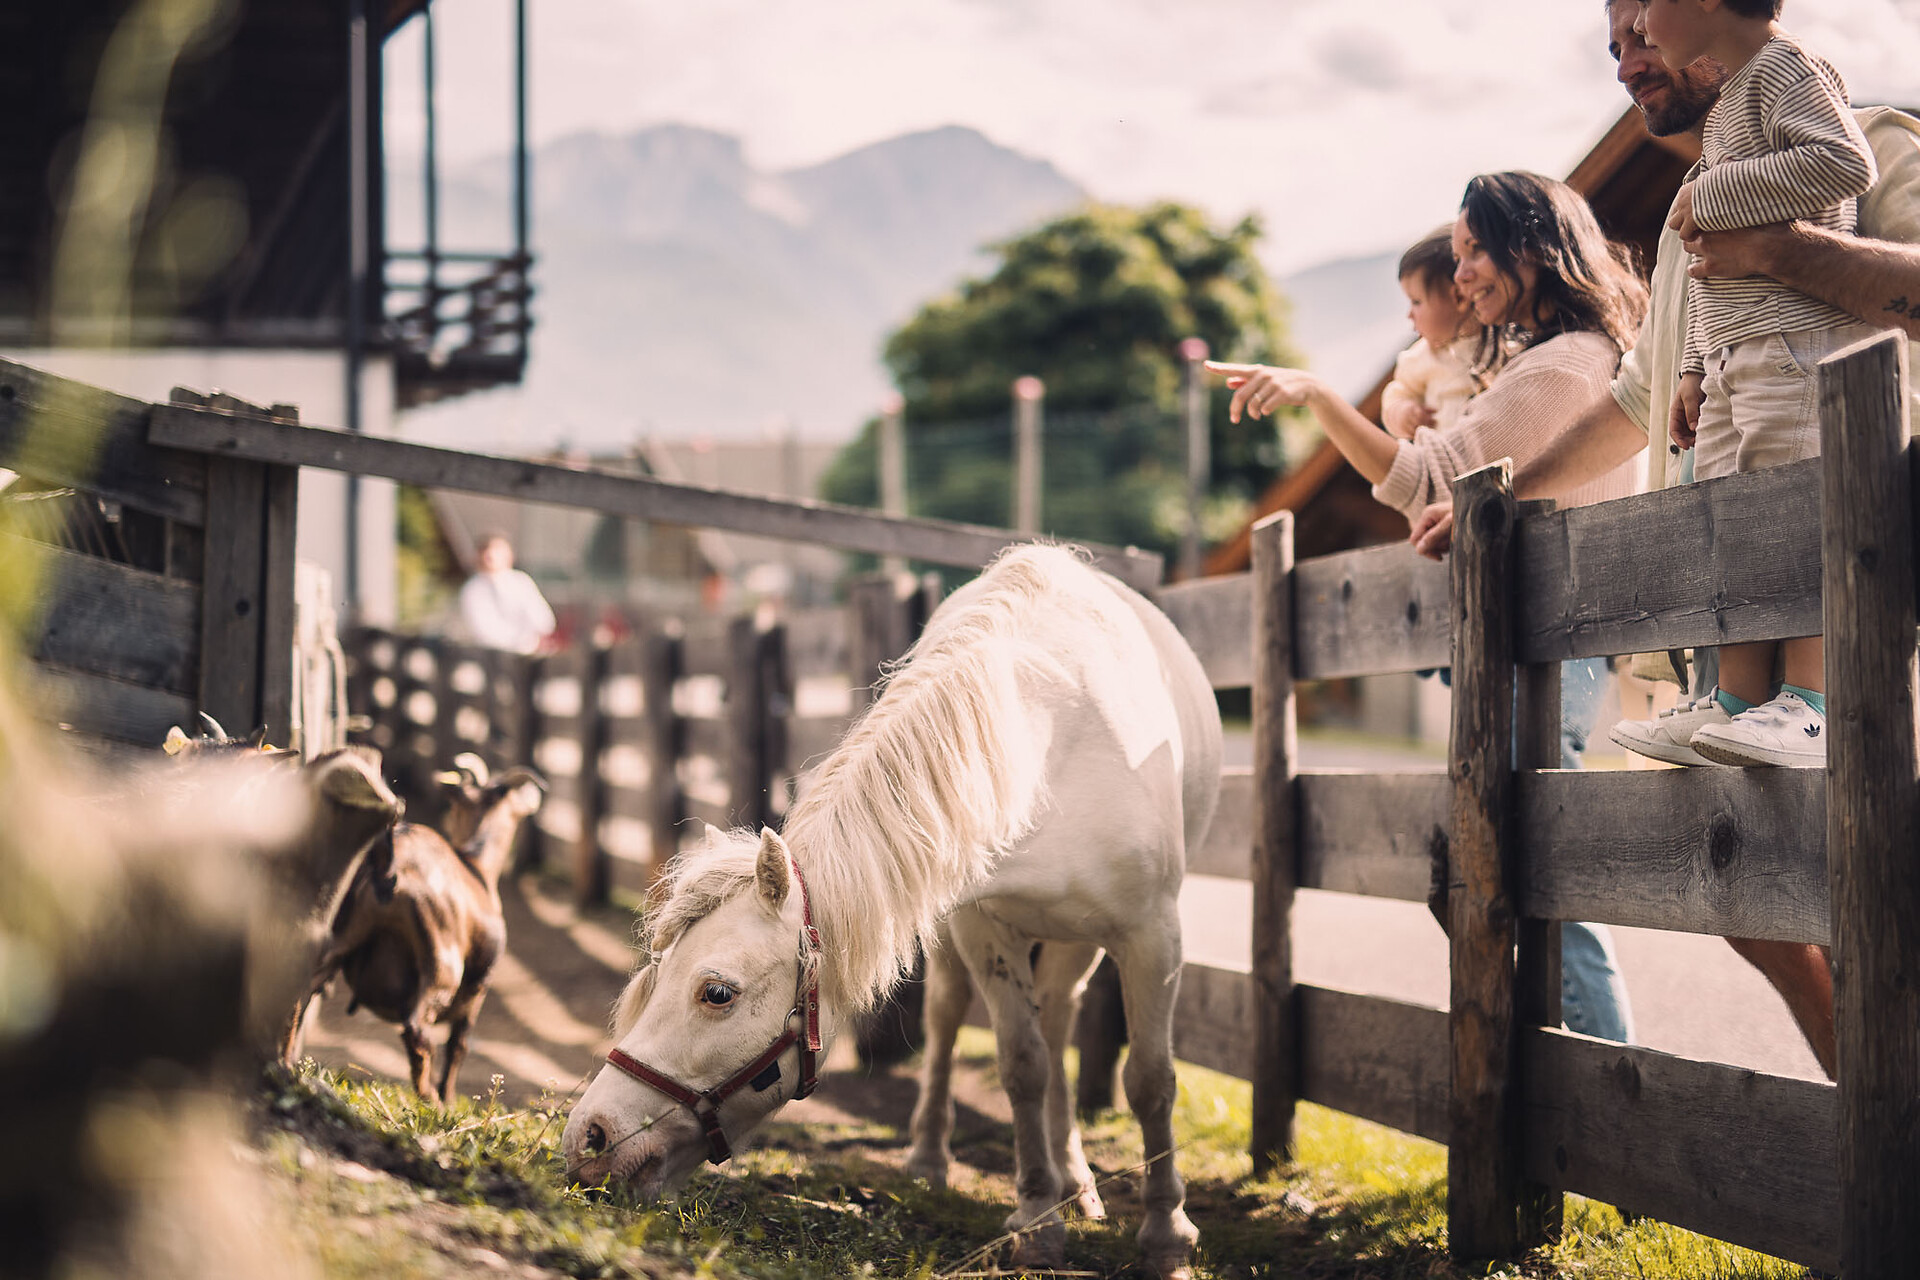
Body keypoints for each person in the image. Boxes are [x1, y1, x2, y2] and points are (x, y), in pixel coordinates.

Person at [1406, 0, 1920, 1080]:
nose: (1625, 59)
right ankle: (1881, 1119)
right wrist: (1498, 500)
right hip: (1742, 589)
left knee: (1870, 879)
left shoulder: (1876, 143)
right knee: (1760, 897)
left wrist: (1781, 245)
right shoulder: (1691, 211)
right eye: (1614, 43)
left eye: (1640, 31)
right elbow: (1635, 403)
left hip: (1868, 584)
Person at [1208, 170, 1651, 1045]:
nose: (1465, 276)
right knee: (1496, 879)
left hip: (1550, 652)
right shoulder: (1539, 362)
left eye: (1477, 251)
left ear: (1533, 248)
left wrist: (1321, 397)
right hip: (1529, 648)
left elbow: (1428, 479)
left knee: (1538, 887)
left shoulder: (1566, 367)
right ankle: (1567, 1091)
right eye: (1457, 257)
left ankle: (1608, 1096)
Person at [1611, 0, 1880, 771]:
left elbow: (1843, 162)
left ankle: (1812, 706)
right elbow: (1710, 268)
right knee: (1732, 522)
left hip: (1795, 345)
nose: (1641, 34)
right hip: (1735, 355)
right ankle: (1734, 701)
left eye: (1644, 16)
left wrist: (1708, 198)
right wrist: (1694, 364)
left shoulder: (1790, 67)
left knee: (1793, 518)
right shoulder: (1732, 99)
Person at [1380, 227, 1482, 440]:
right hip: (1445, 464)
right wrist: (1403, 413)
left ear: (1459, 298)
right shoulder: (1421, 357)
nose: (1409, 314)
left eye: (1416, 302)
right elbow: (1396, 395)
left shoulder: (1499, 342)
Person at [458, 532, 555, 655]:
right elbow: (484, 632)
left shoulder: (521, 581)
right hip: (492, 657)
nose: (493, 557)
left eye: (499, 551)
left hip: (528, 654)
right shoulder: (472, 590)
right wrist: (516, 644)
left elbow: (544, 620)